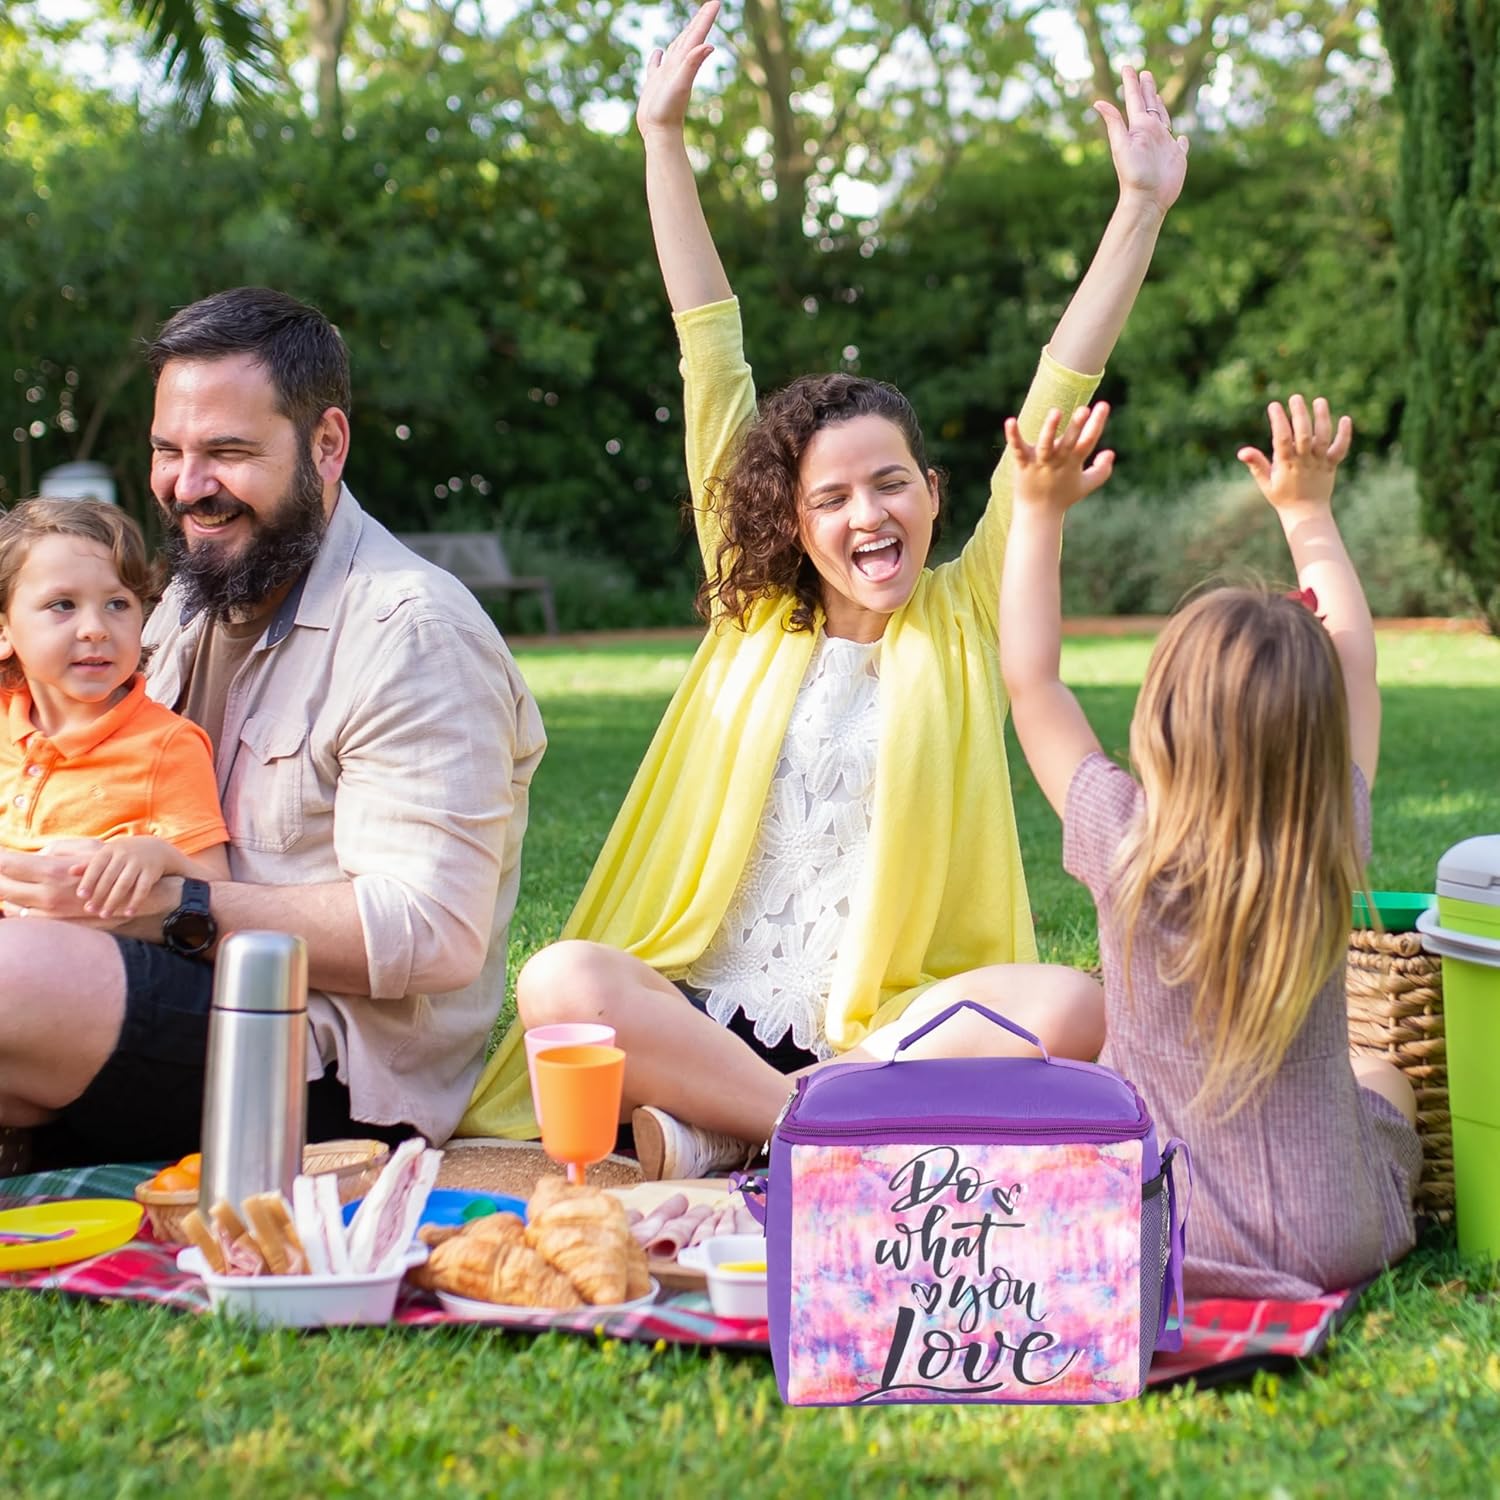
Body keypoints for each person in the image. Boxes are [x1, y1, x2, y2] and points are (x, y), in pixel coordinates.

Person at [458, 0, 1188, 1178]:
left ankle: (730, 1130)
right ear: (791, 523)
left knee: (1069, 1006)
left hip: (885, 1035)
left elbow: (1060, 389)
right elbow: (709, 346)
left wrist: (1139, 206)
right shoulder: (753, 606)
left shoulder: (965, 615)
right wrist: (662, 138)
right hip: (701, 1004)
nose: (867, 515)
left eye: (890, 485)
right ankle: (803, 1129)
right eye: (833, 499)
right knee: (563, 980)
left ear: (936, 495)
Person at [0, 287, 546, 1174]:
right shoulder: (181, 602)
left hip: (321, 1066)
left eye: (227, 452)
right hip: (141, 985)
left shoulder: (412, 632)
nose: (188, 486)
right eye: (168, 452)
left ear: (326, 445)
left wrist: (167, 910)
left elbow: (434, 932)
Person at [998, 391, 1421, 1297]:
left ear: (1163, 718)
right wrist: (1307, 512)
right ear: (1317, 735)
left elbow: (1031, 683)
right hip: (1332, 1234)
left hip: (1161, 1230)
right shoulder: (1329, 828)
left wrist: (1038, 513)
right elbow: (1356, 661)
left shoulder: (1124, 839)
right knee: (1382, 1071)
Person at [0, 499, 229, 913]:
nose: (96, 629)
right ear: (4, 631)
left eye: (117, 604)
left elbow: (216, 885)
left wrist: (157, 857)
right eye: (63, 605)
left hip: (106, 954)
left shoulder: (166, 745)